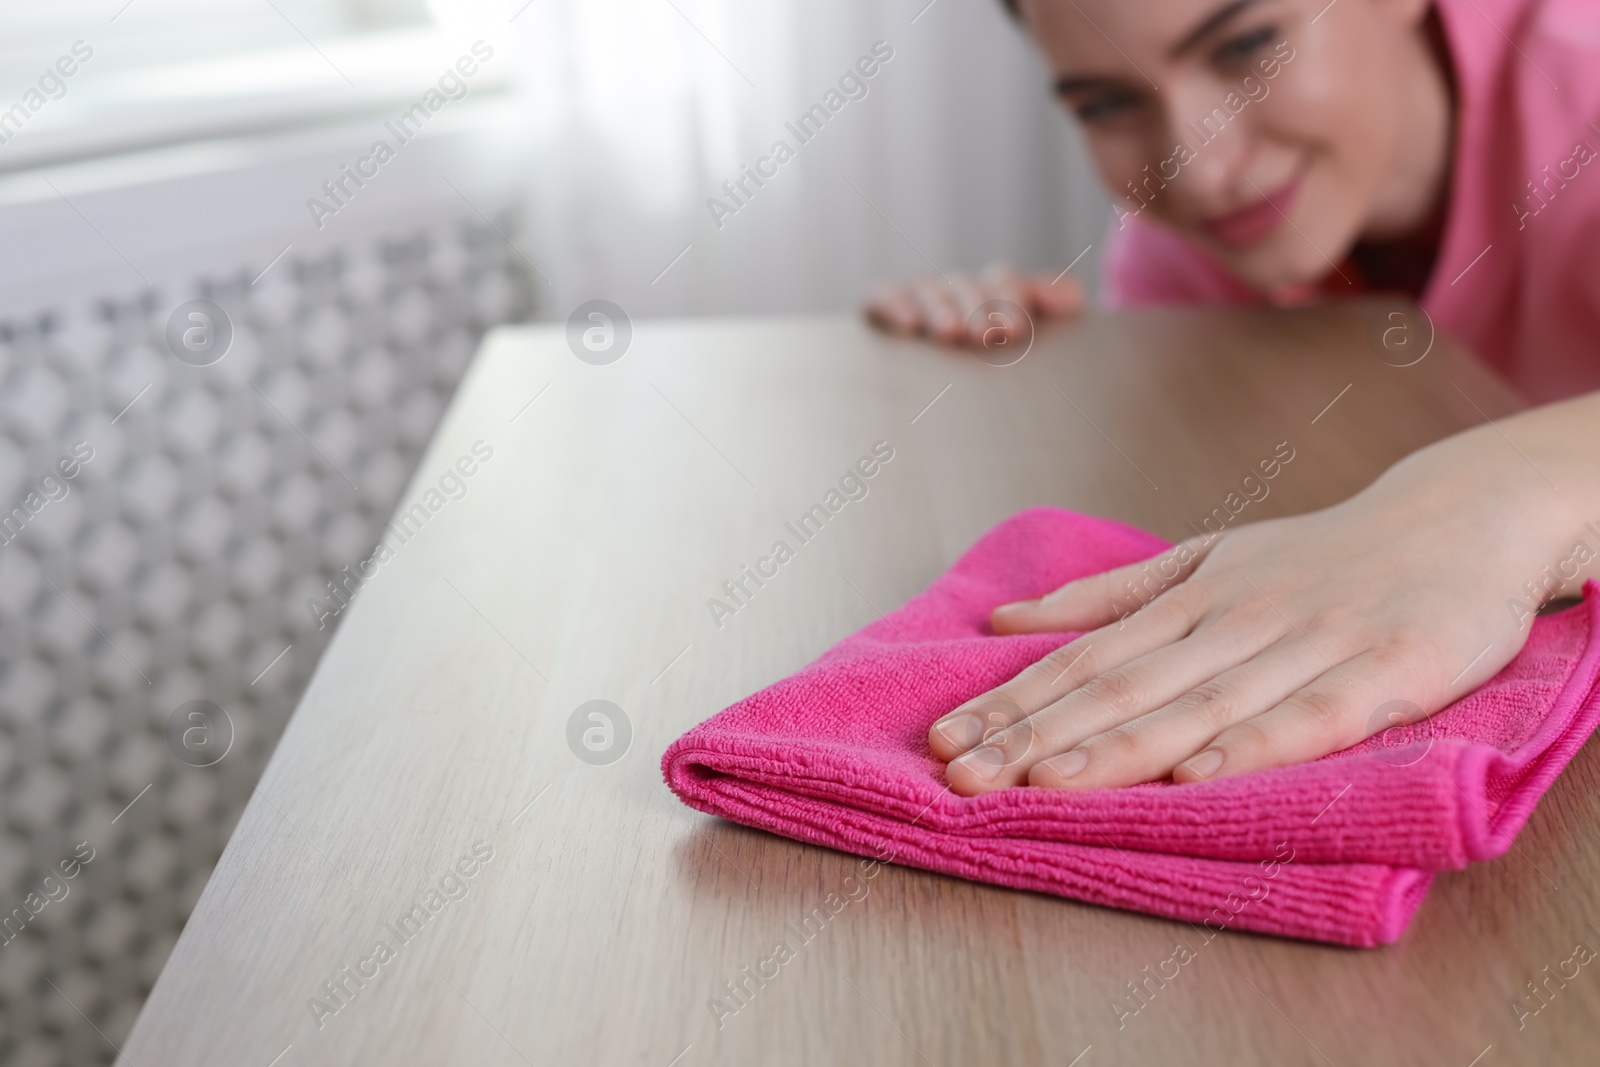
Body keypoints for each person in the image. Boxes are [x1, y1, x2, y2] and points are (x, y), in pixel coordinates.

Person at [861, 0, 1600, 795]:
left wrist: (1485, 506)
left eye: (1248, 45)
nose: (1200, 164)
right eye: (1109, 103)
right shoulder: (1194, 234)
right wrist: (1039, 344)